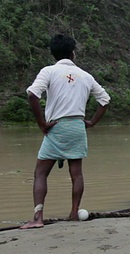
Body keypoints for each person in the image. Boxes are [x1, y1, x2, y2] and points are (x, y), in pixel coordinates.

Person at [21, 34, 111, 229]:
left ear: (53, 54)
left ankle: (38, 217)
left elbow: (32, 95)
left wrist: (42, 124)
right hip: (78, 127)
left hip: (56, 126)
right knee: (76, 174)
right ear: (73, 53)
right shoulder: (86, 76)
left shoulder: (49, 71)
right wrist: (92, 123)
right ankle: (74, 214)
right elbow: (105, 100)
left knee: (41, 173)